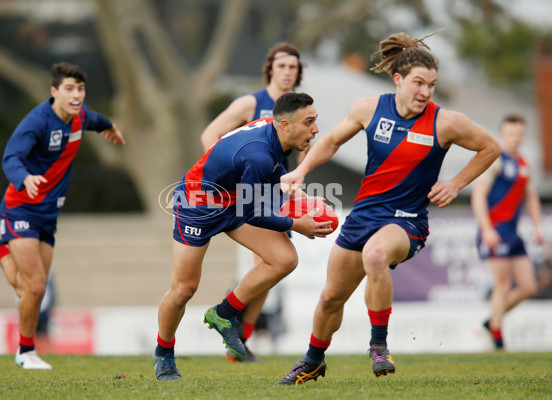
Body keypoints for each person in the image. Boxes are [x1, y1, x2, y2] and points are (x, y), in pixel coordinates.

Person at [276, 31, 501, 385]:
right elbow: (332, 141)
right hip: (364, 215)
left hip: (407, 222)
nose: (426, 92)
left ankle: (378, 345)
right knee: (330, 297)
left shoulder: (445, 122)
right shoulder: (369, 109)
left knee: (377, 254)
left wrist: (456, 183)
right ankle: (312, 361)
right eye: (418, 83)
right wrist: (301, 171)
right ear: (398, 80)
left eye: (431, 84)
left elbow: (490, 147)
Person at [0, 62, 125, 369]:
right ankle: (25, 352)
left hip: (49, 213)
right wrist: (25, 178)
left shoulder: (80, 117)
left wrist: (110, 127)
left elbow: (95, 119)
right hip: (21, 207)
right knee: (33, 288)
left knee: (29, 288)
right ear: (54, 92)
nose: (76, 95)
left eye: (81, 89)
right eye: (69, 89)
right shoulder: (37, 122)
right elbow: (11, 157)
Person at [154, 92, 333, 381]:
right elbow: (253, 213)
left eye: (315, 121)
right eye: (309, 122)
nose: (315, 129)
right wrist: (297, 223)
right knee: (183, 290)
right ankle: (163, 354)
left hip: (234, 200)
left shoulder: (273, 134)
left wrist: (300, 197)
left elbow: (270, 181)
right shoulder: (258, 154)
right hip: (198, 203)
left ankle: (224, 313)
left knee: (284, 259)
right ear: (285, 125)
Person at [200, 42, 304, 362]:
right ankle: (233, 332)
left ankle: (238, 342)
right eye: (282, 66)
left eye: (294, 67)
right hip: (243, 199)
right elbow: (210, 135)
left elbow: (300, 157)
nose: (288, 72)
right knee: (263, 265)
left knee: (271, 269)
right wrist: (225, 180)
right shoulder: (250, 103)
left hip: (274, 198)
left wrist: (298, 186)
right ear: (270, 68)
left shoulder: (298, 109)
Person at [471, 115, 542, 350]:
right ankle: (497, 339)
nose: (516, 139)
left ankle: (490, 323)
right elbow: (478, 196)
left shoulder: (523, 164)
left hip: (513, 233)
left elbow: (530, 197)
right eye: (511, 134)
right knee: (502, 284)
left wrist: (537, 226)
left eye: (519, 135)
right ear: (503, 135)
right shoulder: (496, 160)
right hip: (494, 231)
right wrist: (486, 229)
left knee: (528, 287)